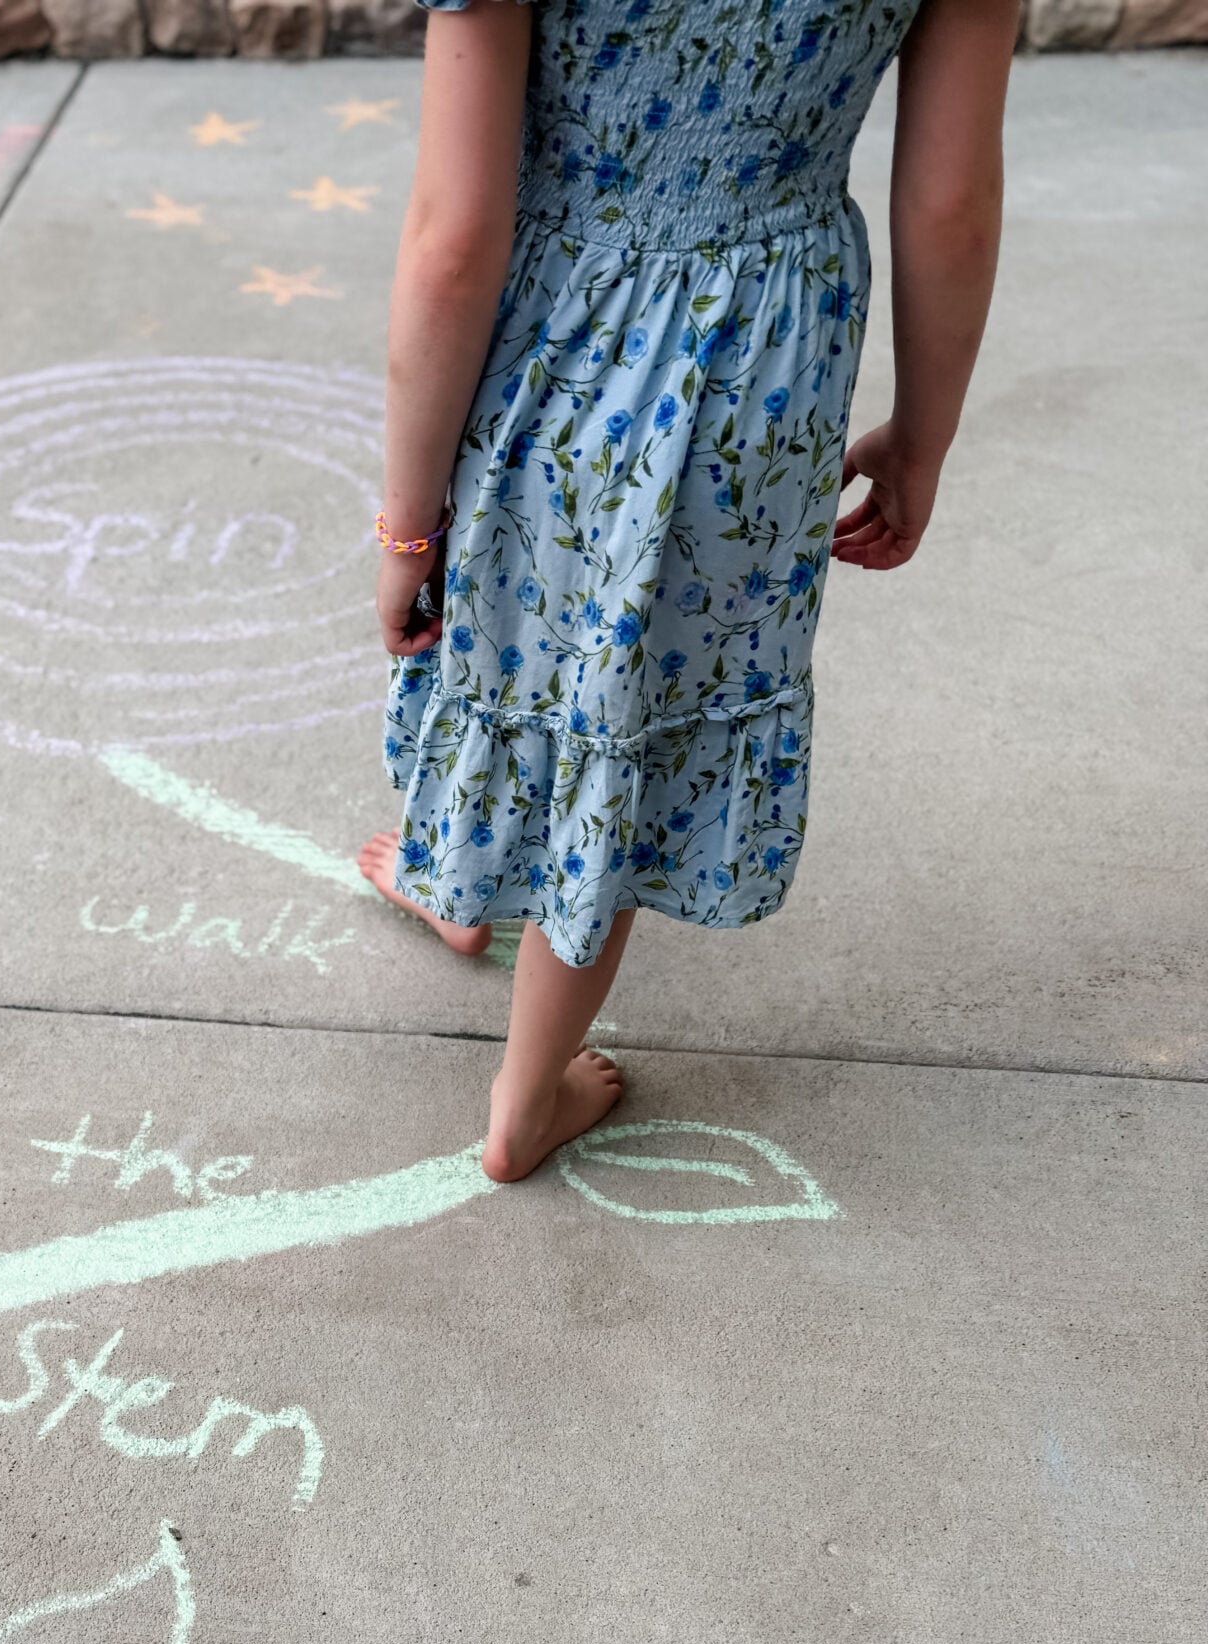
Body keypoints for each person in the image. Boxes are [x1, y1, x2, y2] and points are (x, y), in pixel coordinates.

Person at [360, 0, 1013, 1181]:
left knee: (502, 632)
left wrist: (406, 527)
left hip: (549, 318)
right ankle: (477, 919)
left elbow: (453, 237)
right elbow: (949, 206)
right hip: (762, 356)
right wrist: (924, 434)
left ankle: (526, 1099)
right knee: (633, 695)